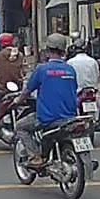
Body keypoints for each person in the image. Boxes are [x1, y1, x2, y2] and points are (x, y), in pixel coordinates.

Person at [14, 33, 78, 168]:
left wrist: (18, 101)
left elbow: (27, 91)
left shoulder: (42, 69)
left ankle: (35, 157)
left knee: (20, 127)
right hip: (70, 116)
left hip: (48, 117)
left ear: (47, 51)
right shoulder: (70, 69)